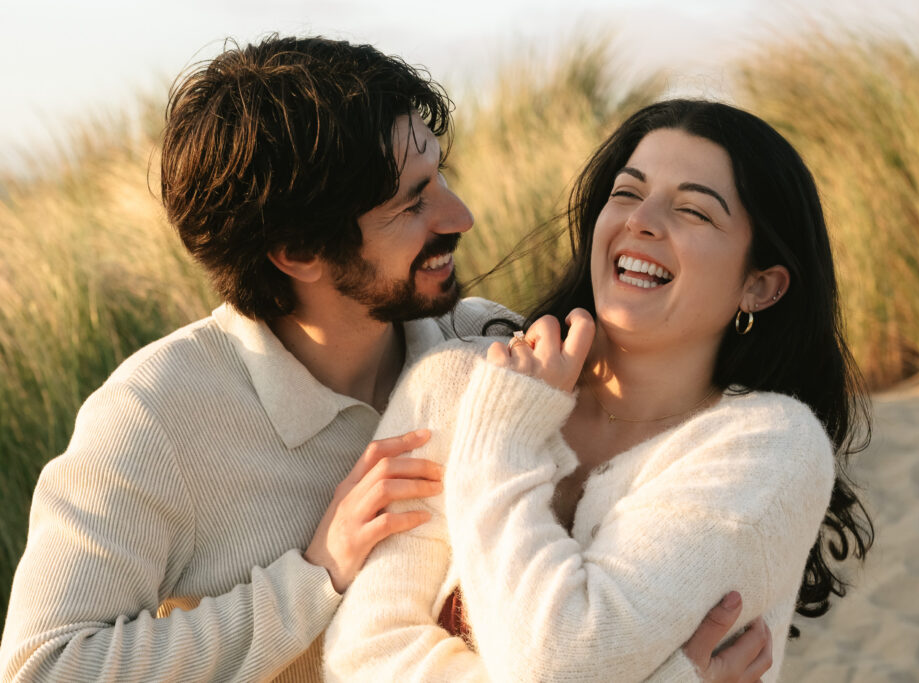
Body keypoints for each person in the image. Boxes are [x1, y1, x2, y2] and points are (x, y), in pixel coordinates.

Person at [0, 38, 766, 683]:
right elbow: (42, 665)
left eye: (441, 177)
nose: (459, 217)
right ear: (299, 251)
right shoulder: (157, 415)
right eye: (412, 203)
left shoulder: (495, 355)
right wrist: (312, 576)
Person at [324, 99, 874, 682]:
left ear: (760, 286)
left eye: (693, 210)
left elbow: (562, 660)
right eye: (627, 193)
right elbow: (361, 657)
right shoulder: (458, 383)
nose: (642, 220)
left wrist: (503, 438)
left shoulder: (768, 447)